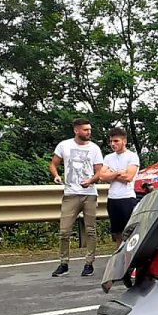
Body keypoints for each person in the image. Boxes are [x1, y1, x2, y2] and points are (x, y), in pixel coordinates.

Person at [49, 117, 103, 277]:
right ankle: (63, 263)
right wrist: (56, 176)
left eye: (89, 130)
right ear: (76, 130)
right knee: (64, 230)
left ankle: (89, 263)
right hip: (71, 193)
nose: (88, 132)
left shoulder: (94, 148)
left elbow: (99, 171)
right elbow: (53, 164)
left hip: (90, 194)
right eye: (85, 130)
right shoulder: (64, 145)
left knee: (90, 230)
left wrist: (91, 180)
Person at [97, 127, 140, 244]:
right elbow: (101, 176)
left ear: (124, 141)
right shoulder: (108, 157)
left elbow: (128, 177)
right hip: (112, 198)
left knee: (129, 230)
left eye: (116, 141)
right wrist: (117, 172)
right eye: (111, 141)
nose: (113, 144)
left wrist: (110, 174)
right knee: (117, 232)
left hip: (127, 198)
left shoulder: (132, 156)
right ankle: (118, 254)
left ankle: (129, 255)